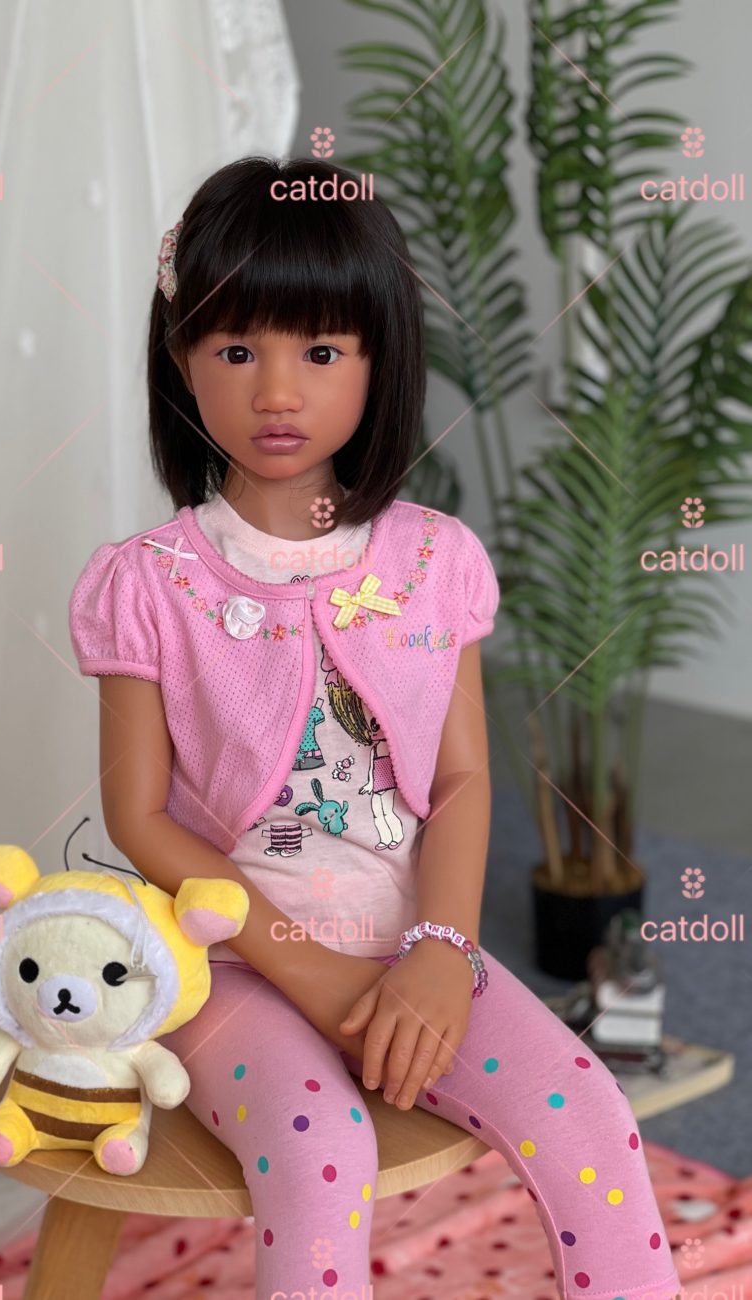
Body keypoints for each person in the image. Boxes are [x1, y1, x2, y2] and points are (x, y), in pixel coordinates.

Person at [68, 156, 682, 1300]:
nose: (277, 392)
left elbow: (461, 783)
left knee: (593, 1115)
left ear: (378, 358)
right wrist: (313, 975)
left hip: (418, 946)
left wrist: (441, 954)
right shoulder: (144, 584)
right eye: (236, 350)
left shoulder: (436, 561)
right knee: (320, 1153)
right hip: (228, 967)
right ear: (180, 357)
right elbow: (139, 818)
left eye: (321, 350)